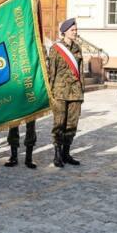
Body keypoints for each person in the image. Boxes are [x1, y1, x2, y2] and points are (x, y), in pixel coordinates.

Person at [46, 18, 83, 168]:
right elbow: (51, 71)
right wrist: (50, 92)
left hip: (75, 92)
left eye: (76, 30)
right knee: (59, 123)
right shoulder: (56, 48)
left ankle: (66, 153)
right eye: (72, 30)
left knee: (72, 124)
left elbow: (80, 72)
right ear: (65, 32)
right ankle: (57, 154)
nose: (75, 32)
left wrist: (82, 90)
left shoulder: (78, 48)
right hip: (60, 92)